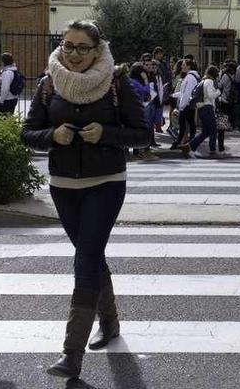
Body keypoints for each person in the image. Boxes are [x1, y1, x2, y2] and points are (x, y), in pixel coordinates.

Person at [21, 20, 151, 379]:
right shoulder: (50, 83)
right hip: (63, 186)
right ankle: (109, 322)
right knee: (90, 255)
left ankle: (71, 354)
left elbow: (143, 135)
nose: (73, 54)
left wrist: (106, 134)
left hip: (106, 183)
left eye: (82, 47)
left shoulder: (117, 82)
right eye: (68, 46)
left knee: (86, 258)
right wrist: (53, 135)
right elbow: (28, 134)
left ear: (97, 50)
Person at [185, 65, 221, 158]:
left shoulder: (203, 81)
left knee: (205, 132)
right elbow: (210, 95)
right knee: (213, 130)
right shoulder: (209, 82)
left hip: (203, 108)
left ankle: (190, 147)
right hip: (207, 108)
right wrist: (218, 92)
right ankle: (212, 151)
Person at [170, 58, 200, 150]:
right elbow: (184, 92)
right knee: (190, 124)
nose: (182, 66)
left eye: (183, 64)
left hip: (186, 105)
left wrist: (182, 106)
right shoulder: (191, 76)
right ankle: (190, 142)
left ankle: (178, 143)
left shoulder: (190, 78)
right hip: (189, 104)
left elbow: (187, 93)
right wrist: (173, 95)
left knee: (183, 125)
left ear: (188, 66)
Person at [216, 60, 238, 156]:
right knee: (225, 122)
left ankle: (221, 146)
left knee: (221, 126)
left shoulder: (225, 76)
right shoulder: (235, 76)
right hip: (231, 101)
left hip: (224, 101)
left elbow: (220, 86)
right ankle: (231, 126)